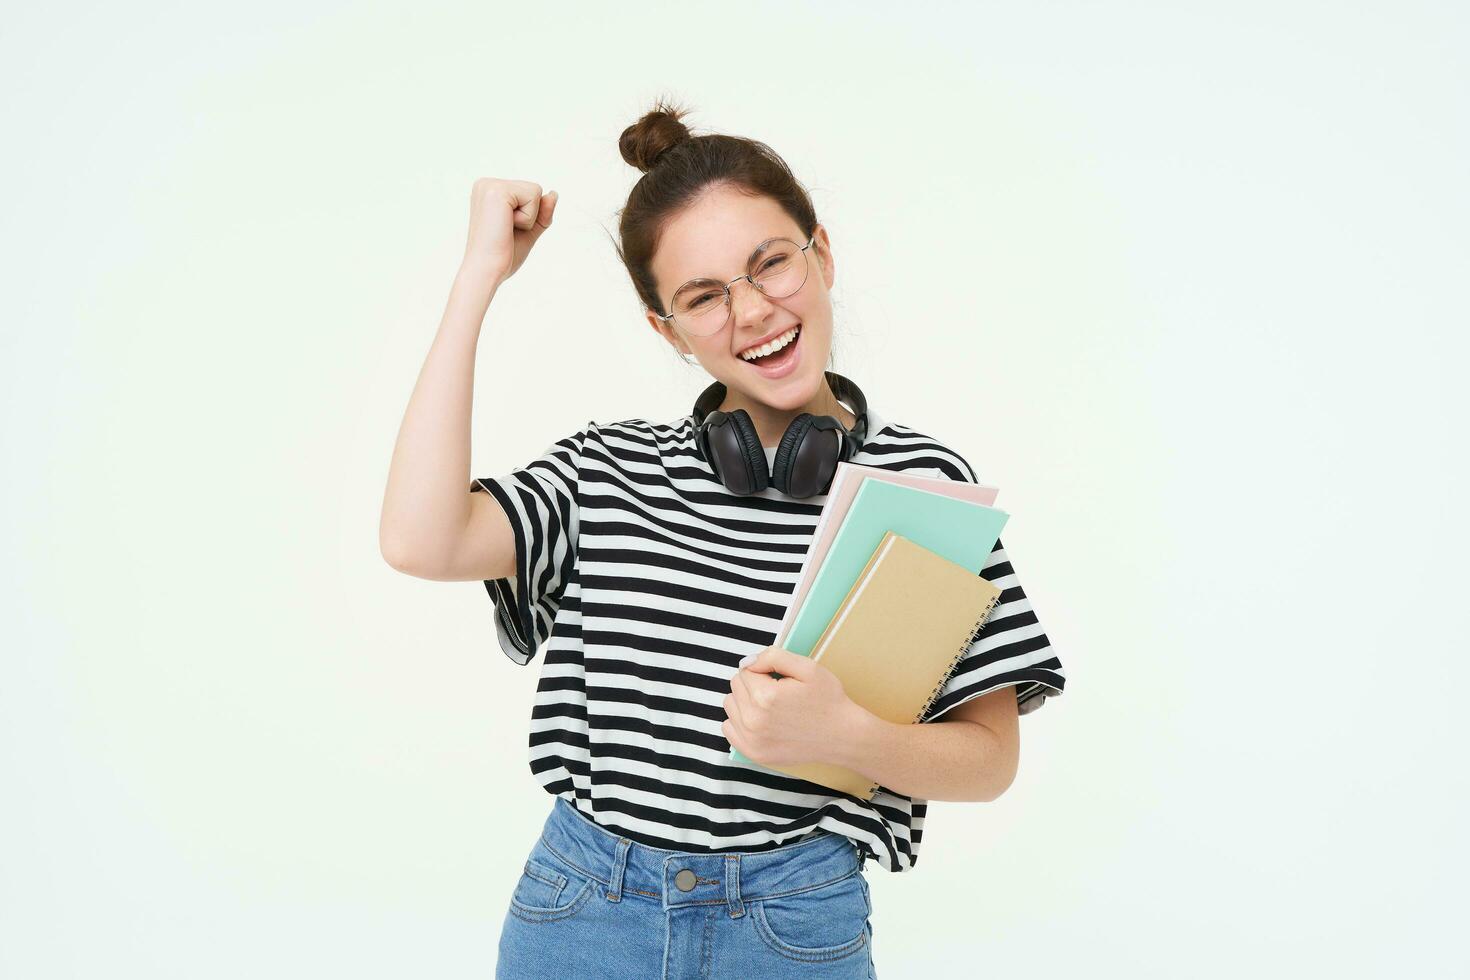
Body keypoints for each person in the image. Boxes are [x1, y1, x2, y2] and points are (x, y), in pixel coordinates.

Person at [380, 99, 1067, 979]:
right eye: (703, 297)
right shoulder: (610, 470)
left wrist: (846, 735)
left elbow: (989, 758)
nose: (751, 313)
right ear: (666, 330)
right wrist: (479, 275)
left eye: (770, 264)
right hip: (585, 911)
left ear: (821, 254)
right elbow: (417, 539)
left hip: (794, 923)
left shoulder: (922, 487)